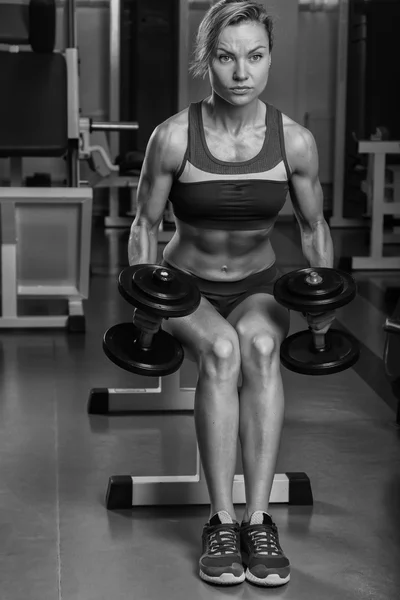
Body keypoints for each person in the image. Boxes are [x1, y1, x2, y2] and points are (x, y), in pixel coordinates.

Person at [128, 0, 335, 588]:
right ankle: (221, 520)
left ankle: (259, 519)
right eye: (226, 57)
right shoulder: (172, 137)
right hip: (184, 288)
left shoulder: (294, 142)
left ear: (270, 59)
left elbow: (314, 227)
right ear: (206, 62)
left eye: (255, 56)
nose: (241, 73)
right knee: (220, 354)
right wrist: (146, 312)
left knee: (262, 352)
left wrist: (321, 312)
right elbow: (143, 227)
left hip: (259, 286)